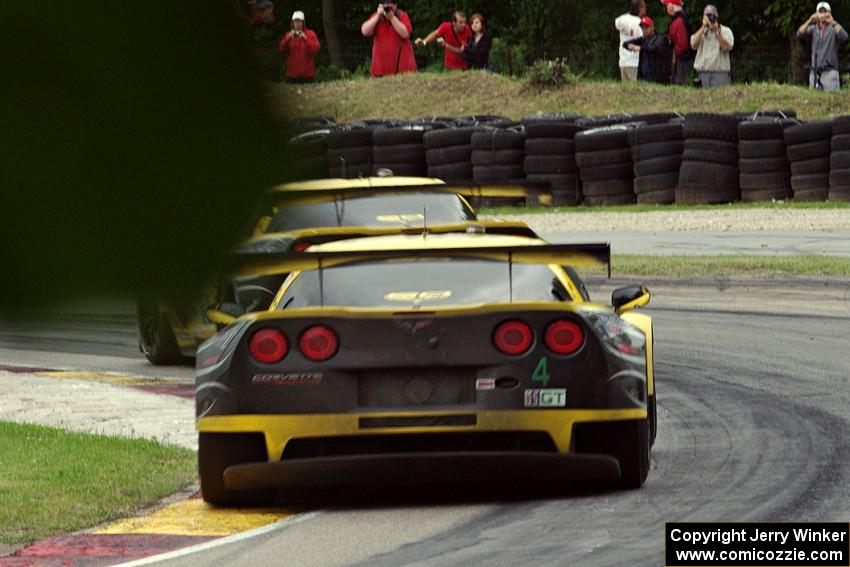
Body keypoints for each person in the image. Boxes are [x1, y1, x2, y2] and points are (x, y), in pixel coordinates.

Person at [797, 2, 848, 92]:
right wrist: (810, 20)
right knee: (814, 102)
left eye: (825, 12)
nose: (823, 15)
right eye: (820, 12)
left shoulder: (834, 28)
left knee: (832, 100)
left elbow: (844, 37)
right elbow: (799, 34)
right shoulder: (813, 28)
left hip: (830, 71)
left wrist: (832, 22)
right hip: (815, 72)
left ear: (829, 13)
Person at [361, 2, 417, 77]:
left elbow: (405, 33)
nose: (388, 9)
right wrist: (378, 15)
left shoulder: (402, 15)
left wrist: (392, 18)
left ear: (395, 5)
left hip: (403, 71)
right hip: (380, 71)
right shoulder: (378, 17)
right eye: (386, 7)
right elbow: (365, 31)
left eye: (391, 7)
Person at [690, 4, 734, 88]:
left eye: (712, 15)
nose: (710, 18)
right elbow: (693, 44)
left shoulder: (726, 31)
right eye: (708, 16)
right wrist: (703, 27)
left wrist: (717, 32)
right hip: (703, 74)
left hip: (720, 74)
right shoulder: (701, 32)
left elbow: (726, 48)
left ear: (717, 17)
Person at [623, 16, 673, 84]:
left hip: (657, 78)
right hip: (644, 77)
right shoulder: (643, 39)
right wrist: (629, 46)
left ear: (652, 27)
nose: (644, 30)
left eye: (646, 27)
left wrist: (640, 48)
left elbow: (653, 48)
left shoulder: (660, 38)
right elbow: (625, 43)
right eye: (642, 28)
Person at [278, 11, 321, 83]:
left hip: (307, 76)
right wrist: (287, 39)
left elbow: (316, 49)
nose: (297, 23)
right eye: (295, 21)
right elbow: (281, 49)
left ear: (303, 22)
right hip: (291, 75)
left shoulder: (310, 34)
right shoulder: (289, 35)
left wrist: (305, 39)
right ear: (292, 23)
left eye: (299, 21)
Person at [250, 1, 284, 81]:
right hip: (260, 63)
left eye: (263, 10)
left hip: (273, 64)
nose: (261, 12)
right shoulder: (256, 25)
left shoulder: (278, 26)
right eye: (260, 10)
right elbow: (252, 40)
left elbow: (281, 43)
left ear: (271, 10)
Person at [661, 0, 692, 85]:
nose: (666, 7)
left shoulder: (678, 22)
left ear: (671, 6)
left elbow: (682, 45)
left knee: (678, 85)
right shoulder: (678, 20)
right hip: (678, 60)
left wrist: (671, 54)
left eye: (667, 5)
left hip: (680, 61)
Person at [615, 0, 646, 81]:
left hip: (623, 60)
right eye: (644, 7)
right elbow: (643, 39)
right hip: (634, 61)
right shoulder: (639, 23)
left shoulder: (622, 19)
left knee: (625, 88)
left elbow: (616, 24)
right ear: (640, 8)